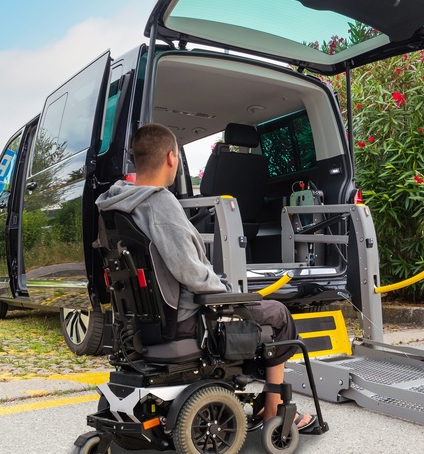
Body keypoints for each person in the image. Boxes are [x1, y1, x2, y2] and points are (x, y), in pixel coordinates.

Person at [95, 122, 319, 433]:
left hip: (142, 321)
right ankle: (273, 411)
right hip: (184, 318)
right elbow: (190, 271)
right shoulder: (159, 202)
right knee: (279, 316)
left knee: (257, 314)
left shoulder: (115, 205)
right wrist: (226, 292)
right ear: (172, 158)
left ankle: (257, 400)